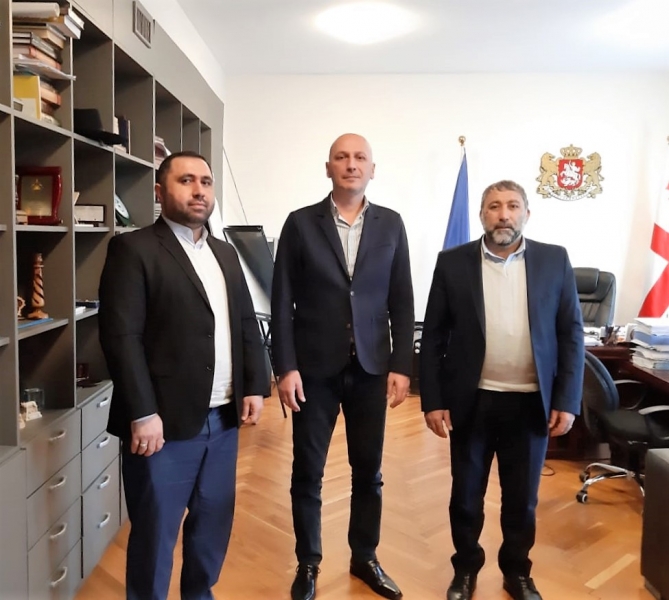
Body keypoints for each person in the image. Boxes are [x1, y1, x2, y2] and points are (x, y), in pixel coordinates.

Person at [99, 150, 269, 600]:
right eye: (186, 180)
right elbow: (121, 337)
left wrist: (255, 385)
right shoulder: (133, 249)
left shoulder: (225, 253)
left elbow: (245, 323)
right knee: (155, 536)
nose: (199, 191)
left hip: (223, 421)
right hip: (161, 428)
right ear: (160, 192)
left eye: (206, 182)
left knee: (212, 529)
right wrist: (142, 412)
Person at [419, 180, 584, 600]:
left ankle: (517, 572)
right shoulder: (453, 262)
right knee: (465, 496)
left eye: (512, 206)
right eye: (494, 207)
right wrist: (433, 400)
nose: (504, 215)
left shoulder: (554, 260)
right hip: (472, 400)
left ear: (527, 213)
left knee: (522, 500)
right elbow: (433, 335)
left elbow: (571, 334)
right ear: (482, 215)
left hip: (531, 402)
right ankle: (465, 570)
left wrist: (567, 400)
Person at [271, 133, 414, 600]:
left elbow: (402, 299)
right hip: (313, 369)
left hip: (372, 368)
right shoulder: (300, 223)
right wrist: (285, 366)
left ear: (372, 169)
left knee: (368, 471)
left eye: (360, 158)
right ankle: (308, 563)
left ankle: (364, 556)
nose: (351, 164)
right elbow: (281, 301)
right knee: (307, 471)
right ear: (328, 167)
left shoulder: (392, 224)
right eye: (341, 157)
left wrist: (402, 364)